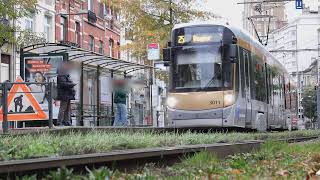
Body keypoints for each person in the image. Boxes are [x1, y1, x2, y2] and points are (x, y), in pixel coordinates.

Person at [57, 62, 76, 126]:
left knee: (67, 109)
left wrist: (71, 84)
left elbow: (66, 82)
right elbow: (63, 84)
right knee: (63, 108)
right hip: (64, 94)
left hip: (67, 94)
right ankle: (59, 122)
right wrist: (72, 84)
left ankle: (67, 121)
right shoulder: (61, 75)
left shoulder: (65, 74)